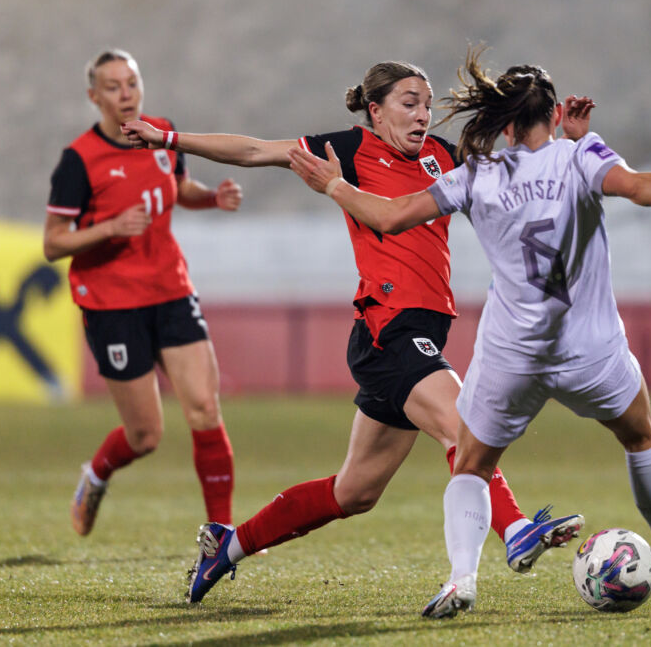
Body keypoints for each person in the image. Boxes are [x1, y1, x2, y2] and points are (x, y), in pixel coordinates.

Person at [288, 47, 651, 618]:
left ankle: (461, 580)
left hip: (513, 357)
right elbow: (638, 187)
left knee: (471, 467)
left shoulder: (478, 173)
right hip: (590, 352)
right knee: (641, 437)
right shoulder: (581, 156)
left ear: (502, 123)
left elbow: (388, 217)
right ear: (555, 116)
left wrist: (335, 185)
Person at [123, 61, 593, 604]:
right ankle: (516, 533)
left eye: (426, 103)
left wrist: (563, 141)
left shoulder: (444, 157)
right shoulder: (346, 151)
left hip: (421, 335)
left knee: (354, 492)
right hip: (386, 331)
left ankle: (226, 548)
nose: (422, 114)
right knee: (465, 426)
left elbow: (522, 176)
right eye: (408, 102)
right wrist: (167, 138)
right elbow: (254, 150)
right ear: (376, 110)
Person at [44, 49, 243, 538]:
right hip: (112, 305)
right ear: (94, 97)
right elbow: (52, 243)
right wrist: (110, 227)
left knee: (203, 407)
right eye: (112, 87)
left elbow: (179, 188)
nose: (125, 94)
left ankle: (221, 536)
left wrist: (212, 198)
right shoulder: (79, 161)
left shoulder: (160, 134)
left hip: (171, 289)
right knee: (145, 435)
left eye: (131, 82)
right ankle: (95, 474)